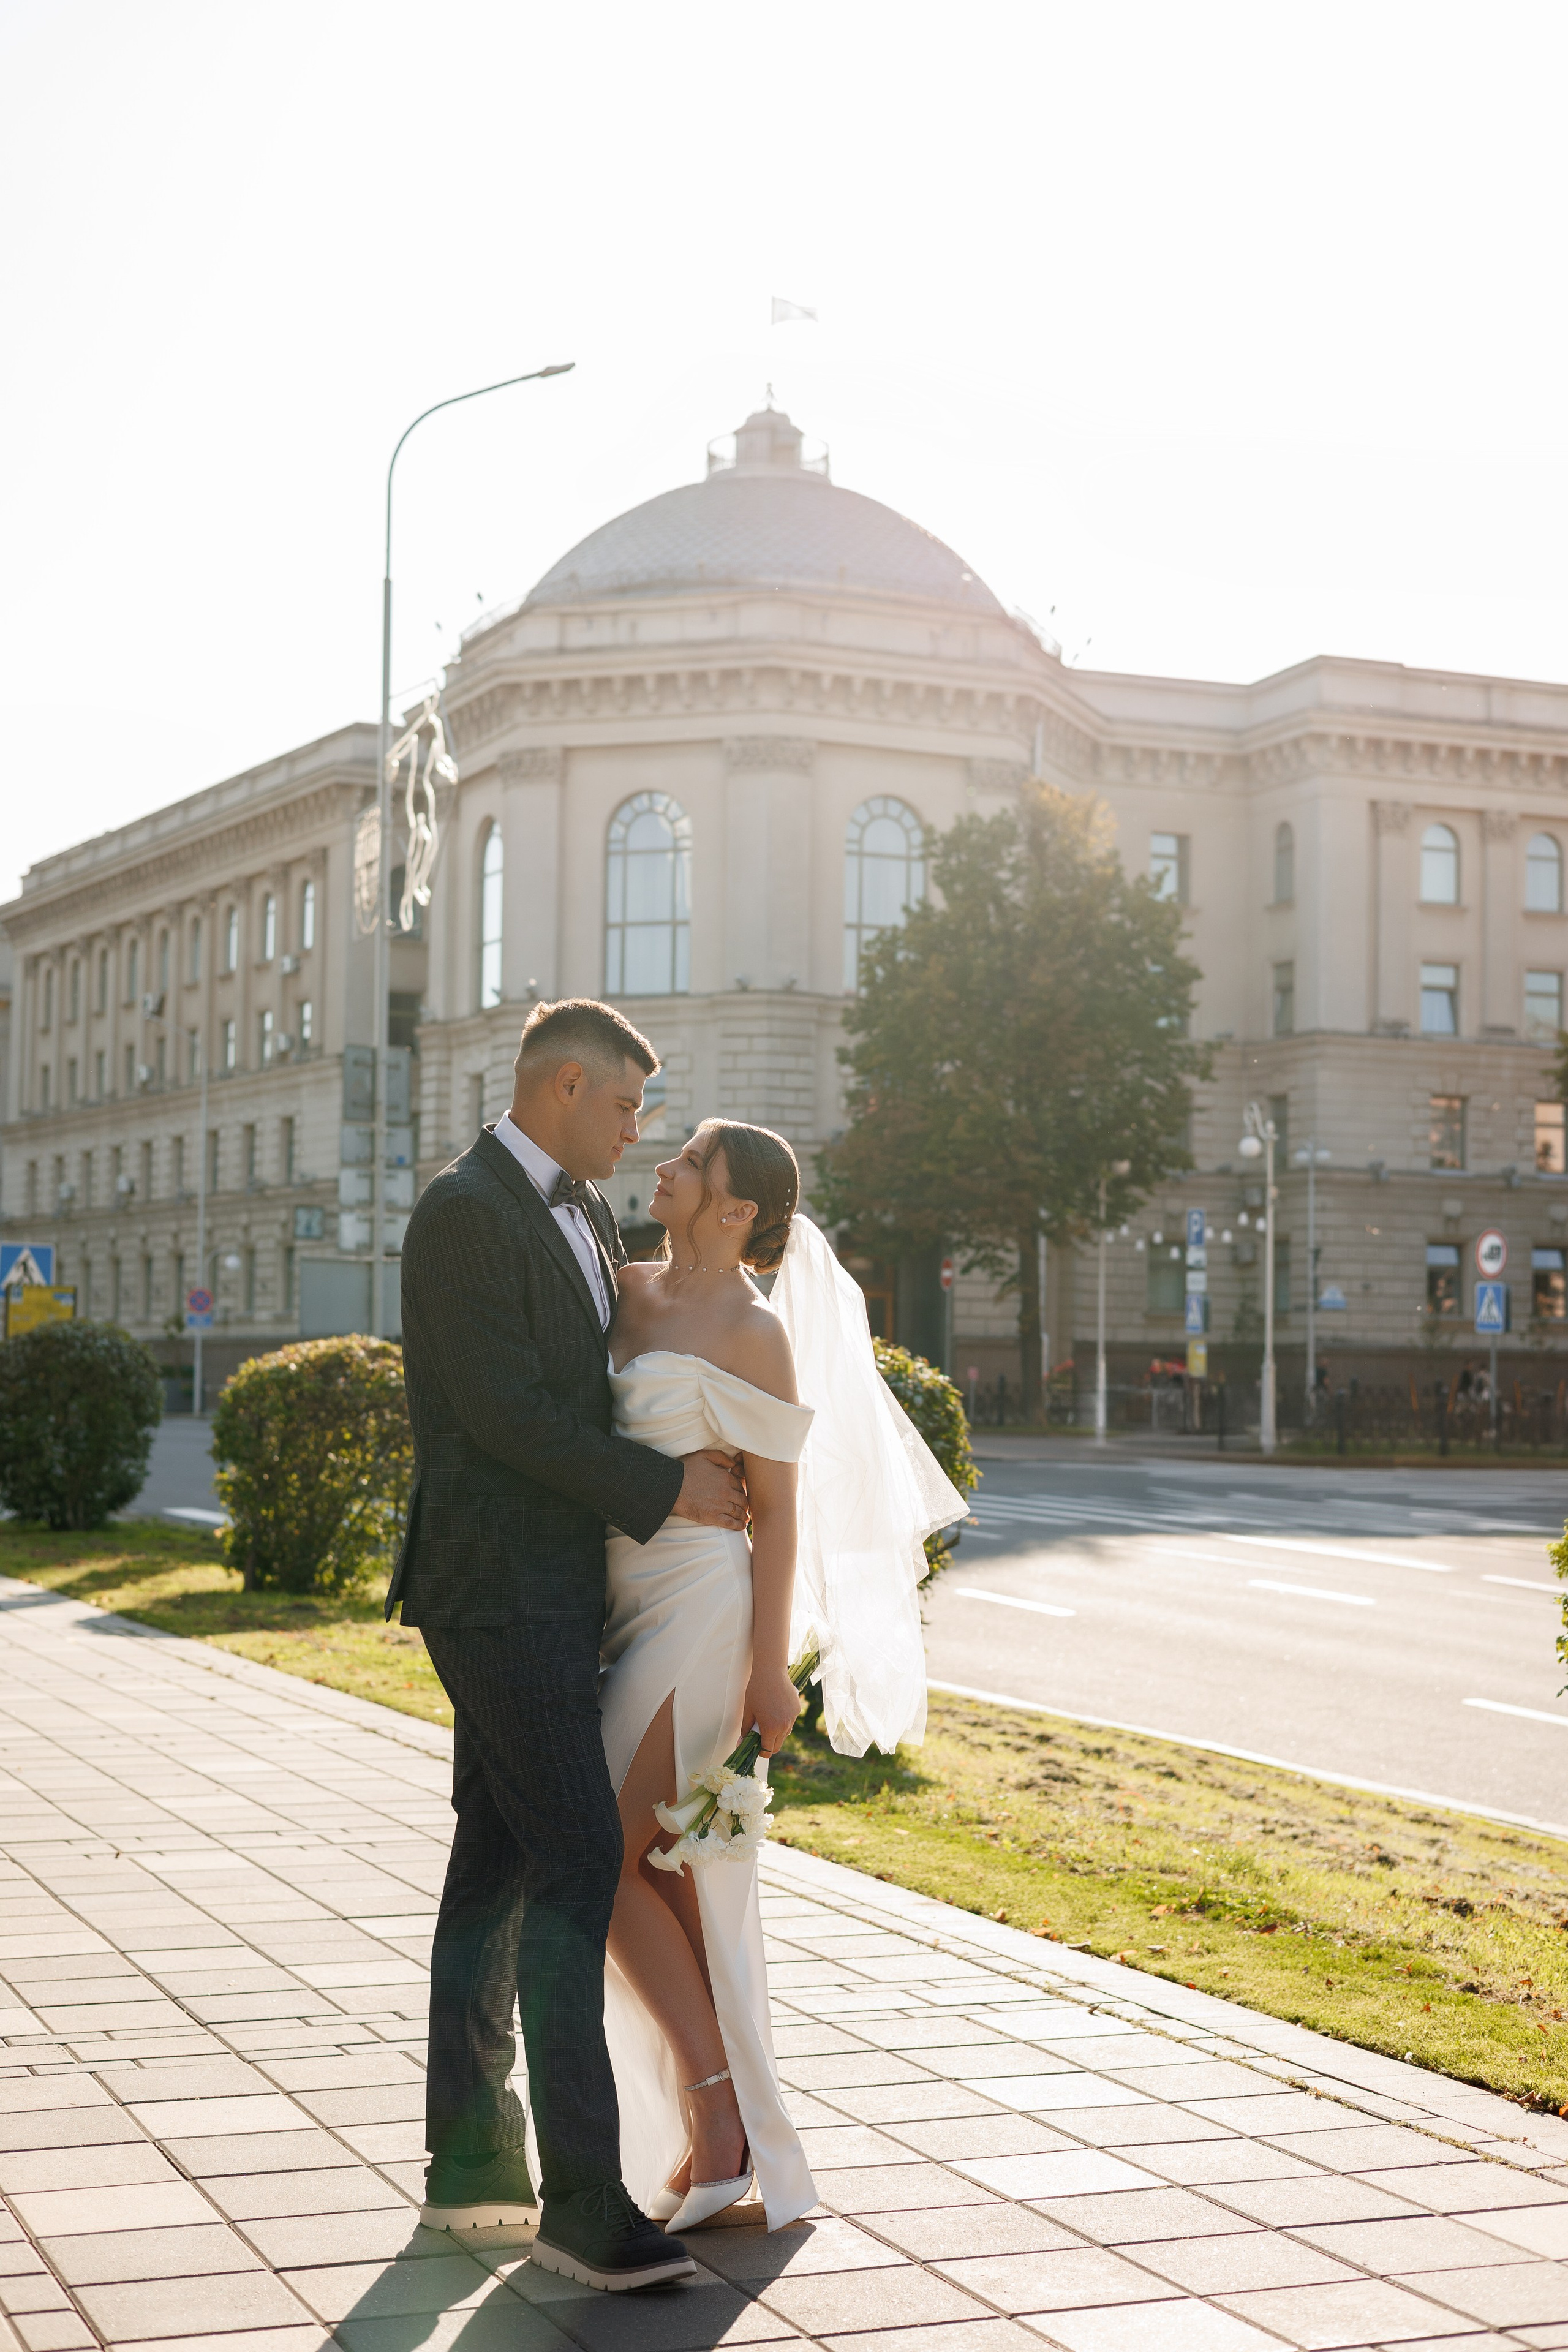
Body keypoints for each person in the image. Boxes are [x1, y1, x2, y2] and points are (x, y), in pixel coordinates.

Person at [390, 998, 748, 2295]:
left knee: (495, 1857)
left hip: (556, 1586)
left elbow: (613, 1372)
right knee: (579, 1851)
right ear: (561, 1088)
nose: (634, 1129)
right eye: (623, 1106)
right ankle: (584, 2208)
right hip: (494, 1588)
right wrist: (663, 1496)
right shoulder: (461, 1211)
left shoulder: (585, 1213)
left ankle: (471, 2171)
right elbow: (506, 1414)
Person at [592, 1117, 971, 2231]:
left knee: (604, 1855)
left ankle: (718, 2116)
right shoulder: (623, 1287)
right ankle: (733, 2112)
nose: (659, 1165)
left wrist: (771, 1676)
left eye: (689, 1161)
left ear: (737, 1208)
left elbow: (782, 1519)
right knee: (652, 1870)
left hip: (702, 1608)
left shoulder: (754, 1332)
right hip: (621, 1598)